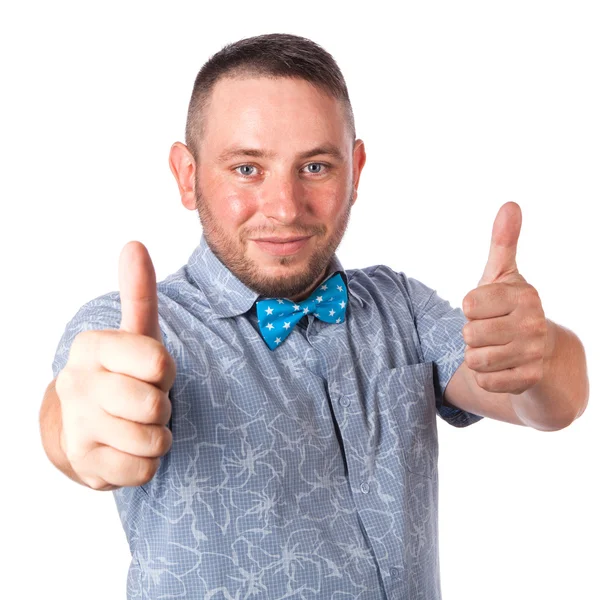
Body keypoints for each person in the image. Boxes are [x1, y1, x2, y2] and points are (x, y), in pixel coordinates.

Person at [39, 33, 589, 599]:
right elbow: (74, 413)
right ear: (187, 175)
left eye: (316, 167)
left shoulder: (400, 308)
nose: (284, 207)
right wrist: (83, 428)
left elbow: (551, 401)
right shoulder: (133, 328)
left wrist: (540, 354)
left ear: (355, 170)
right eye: (248, 169)